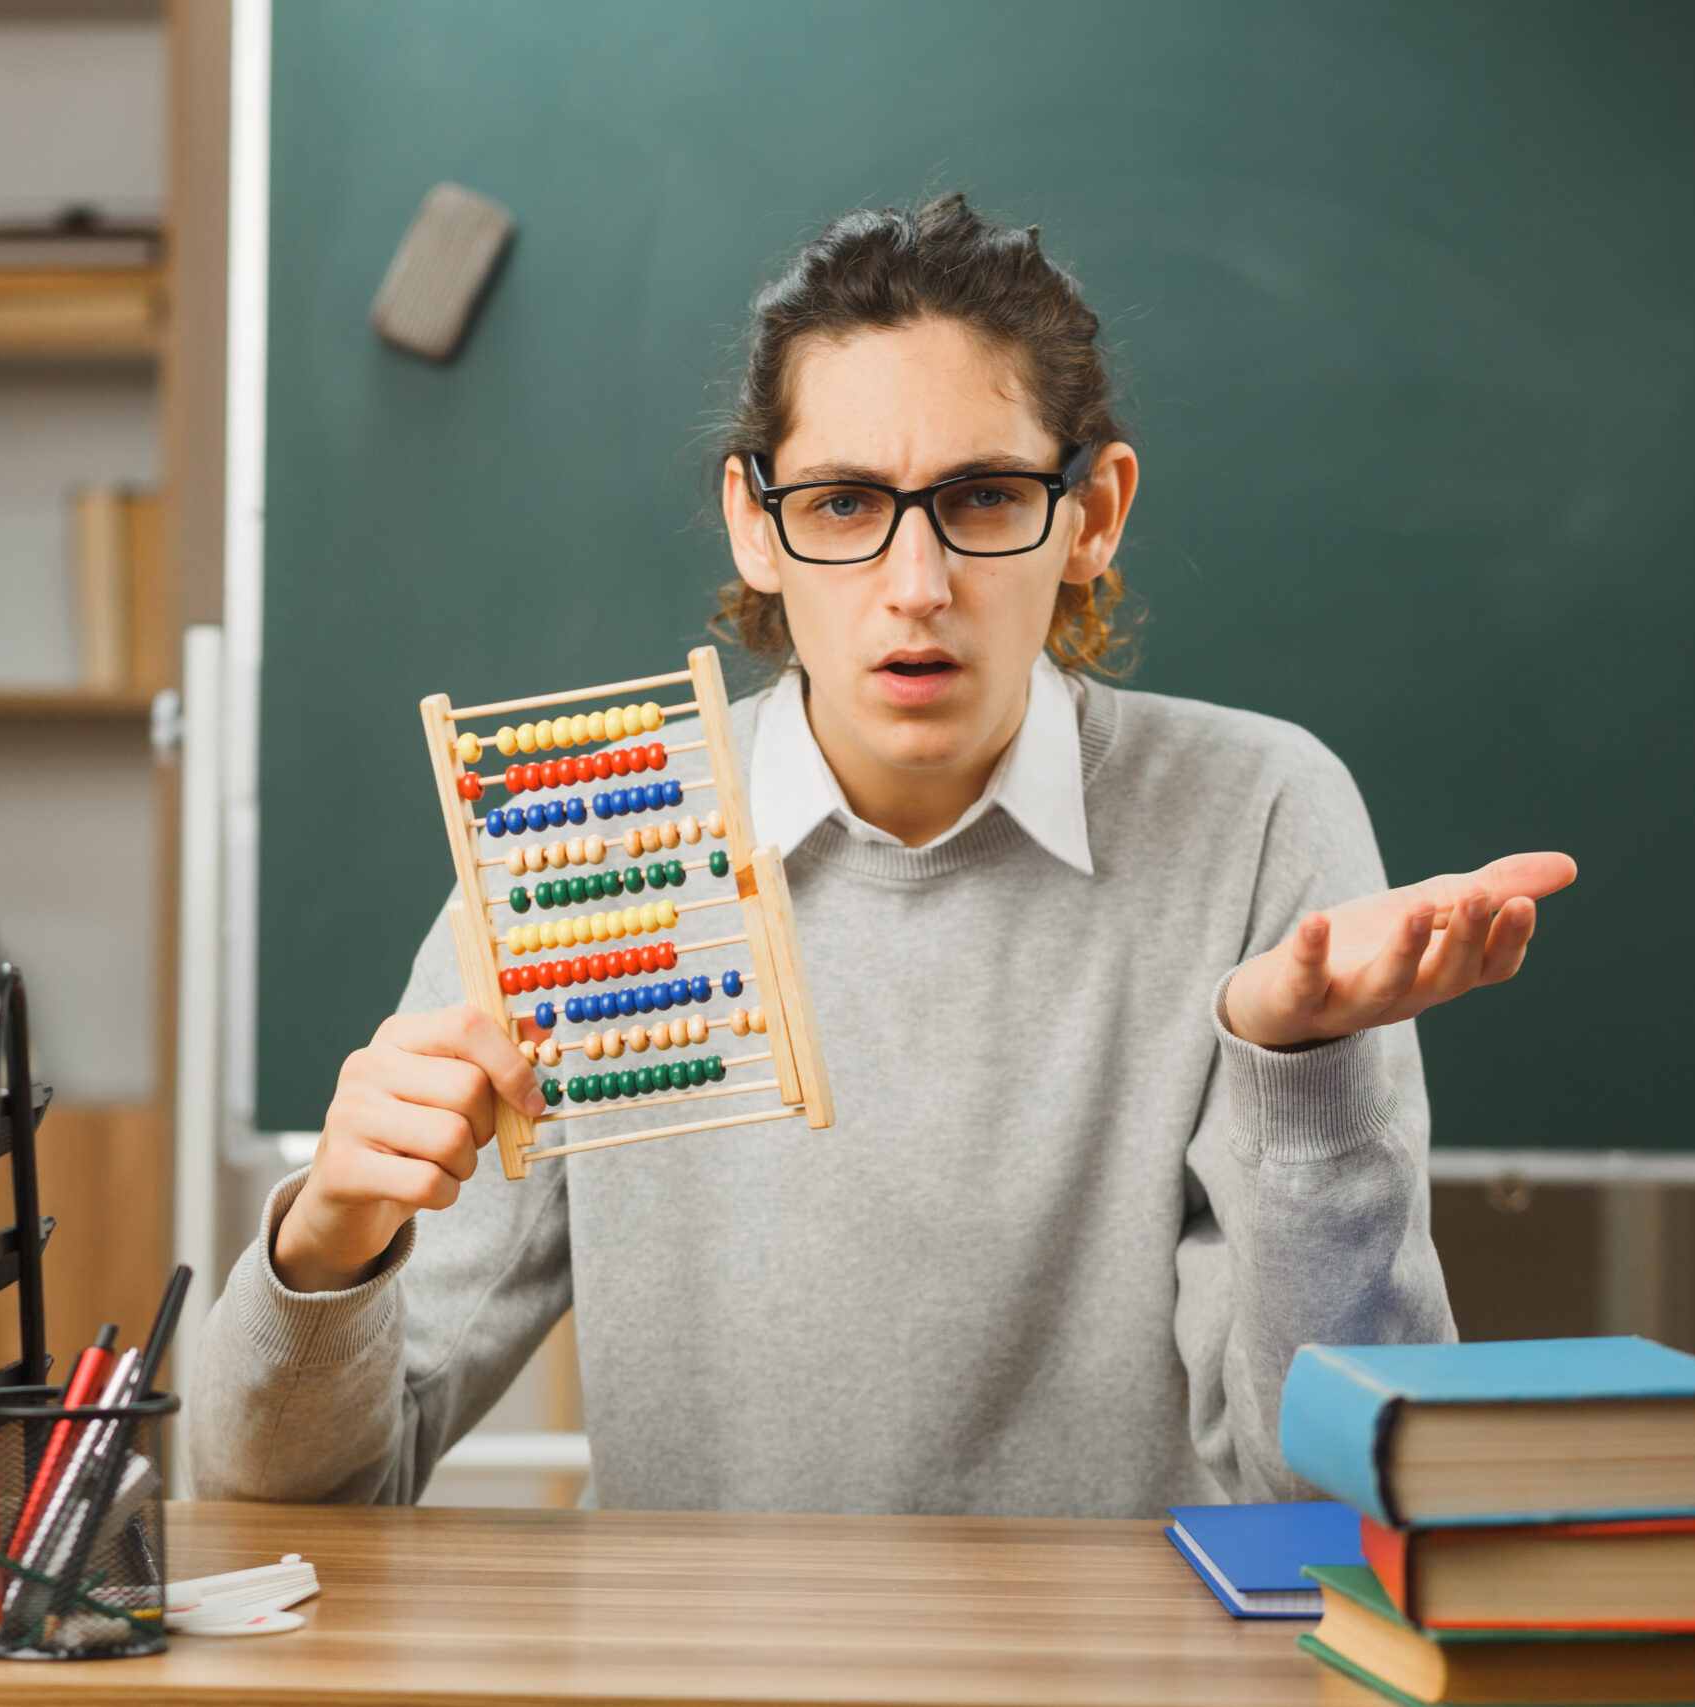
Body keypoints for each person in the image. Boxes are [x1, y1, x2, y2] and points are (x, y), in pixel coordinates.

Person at [189, 194, 1575, 1517]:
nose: (916, 586)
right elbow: (293, 1498)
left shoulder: (1261, 814)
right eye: (845, 504)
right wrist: (327, 1244)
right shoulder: (603, 847)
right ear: (756, 521)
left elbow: (1326, 1492)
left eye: (980, 498)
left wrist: (1300, 1080)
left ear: (1093, 516)